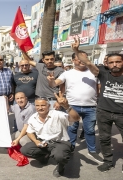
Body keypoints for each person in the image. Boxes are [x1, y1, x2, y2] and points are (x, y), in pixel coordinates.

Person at [72, 37, 123, 172]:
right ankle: (108, 161)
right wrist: (76, 50)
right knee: (104, 138)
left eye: (118, 61)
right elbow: (88, 62)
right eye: (112, 62)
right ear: (108, 64)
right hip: (103, 112)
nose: (115, 65)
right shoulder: (103, 73)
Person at [47, 51, 103, 163]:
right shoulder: (67, 73)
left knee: (90, 130)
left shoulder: (94, 72)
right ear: (73, 60)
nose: (82, 61)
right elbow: (55, 84)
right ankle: (70, 148)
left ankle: (92, 151)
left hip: (91, 107)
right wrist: (52, 81)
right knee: (72, 129)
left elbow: (99, 88)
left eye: (85, 58)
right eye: (79, 58)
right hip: (72, 107)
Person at [20, 92, 80, 177]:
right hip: (43, 143)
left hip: (60, 142)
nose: (40, 108)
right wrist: (36, 141)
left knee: (60, 156)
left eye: (43, 105)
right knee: (25, 150)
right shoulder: (33, 118)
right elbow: (29, 132)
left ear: (49, 106)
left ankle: (61, 166)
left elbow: (76, 118)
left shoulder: (58, 114)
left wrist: (67, 107)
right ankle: (44, 157)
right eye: (37, 106)